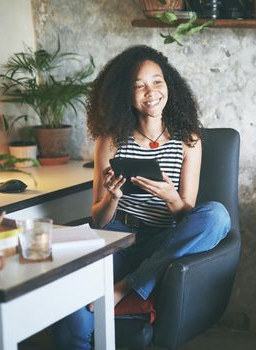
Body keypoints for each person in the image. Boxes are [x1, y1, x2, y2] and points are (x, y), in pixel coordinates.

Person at [52, 45, 231, 349]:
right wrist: (111, 196)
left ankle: (128, 286)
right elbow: (98, 219)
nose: (151, 91)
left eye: (157, 81)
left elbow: (186, 212)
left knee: (217, 215)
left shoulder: (188, 140)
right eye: (139, 85)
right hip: (119, 236)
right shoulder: (110, 140)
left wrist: (170, 197)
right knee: (72, 300)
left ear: (169, 85)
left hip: (166, 237)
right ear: (126, 94)